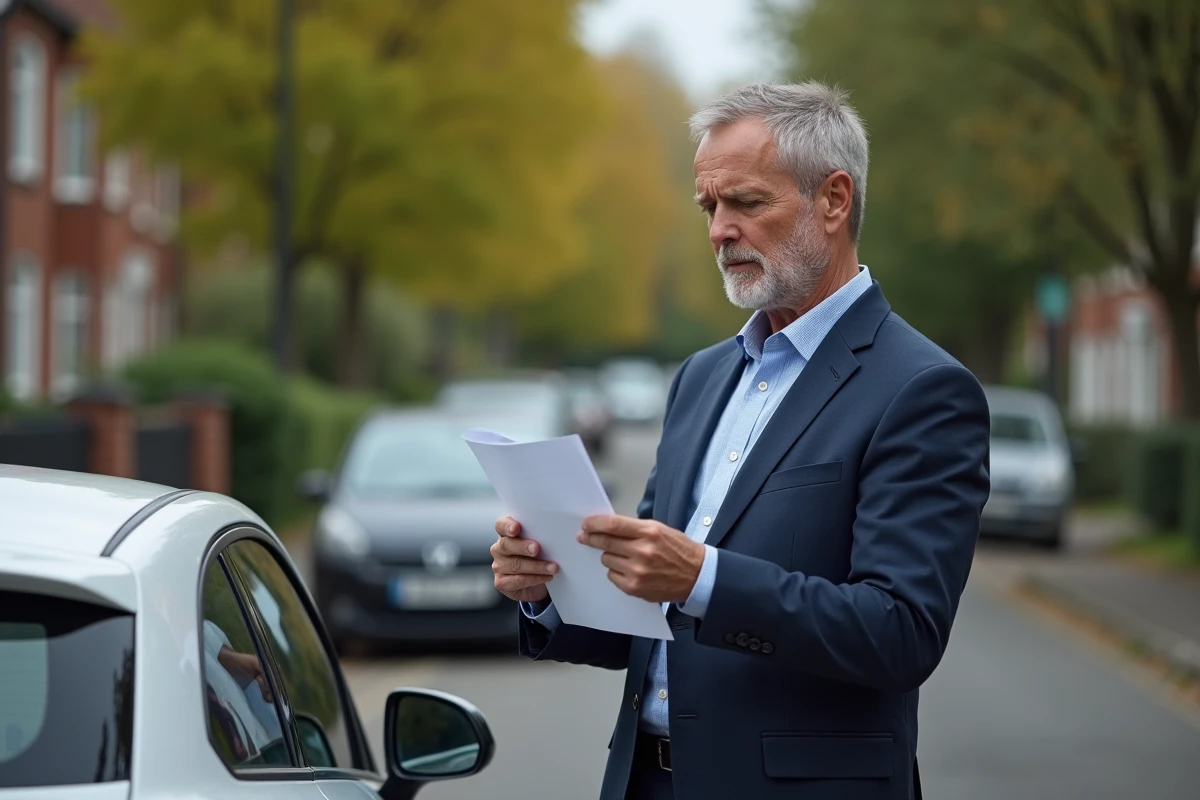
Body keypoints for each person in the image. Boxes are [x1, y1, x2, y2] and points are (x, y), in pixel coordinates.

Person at [490, 82, 990, 800]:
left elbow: (899, 632)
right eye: (709, 207)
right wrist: (549, 588)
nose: (720, 230)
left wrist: (703, 577)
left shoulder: (921, 390)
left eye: (747, 203)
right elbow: (648, 609)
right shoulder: (702, 377)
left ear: (834, 200)